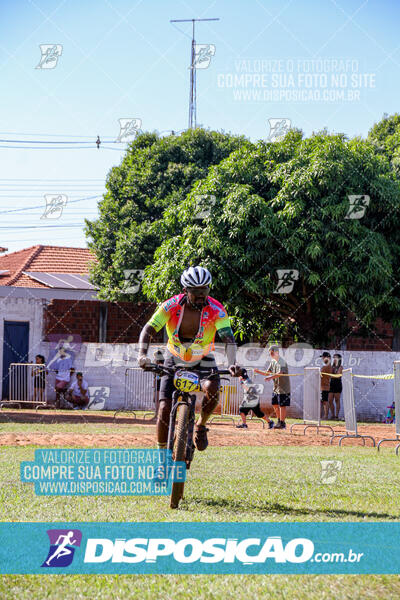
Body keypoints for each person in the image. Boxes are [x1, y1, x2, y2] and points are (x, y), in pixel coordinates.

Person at [138, 266, 242, 452]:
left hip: (203, 357)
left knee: (212, 388)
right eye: (196, 292)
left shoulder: (217, 310)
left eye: (205, 290)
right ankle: (161, 454)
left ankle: (201, 426)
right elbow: (148, 330)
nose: (201, 295)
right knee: (163, 408)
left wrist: (233, 362)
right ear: (185, 290)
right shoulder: (170, 306)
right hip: (174, 357)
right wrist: (142, 355)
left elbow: (228, 338)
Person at [264, 345, 291, 429]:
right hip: (276, 388)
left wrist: (270, 377)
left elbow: (280, 373)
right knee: (275, 404)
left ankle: (282, 424)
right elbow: (267, 372)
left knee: (282, 405)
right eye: (270, 353)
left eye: (272, 352)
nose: (271, 354)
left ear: (276, 352)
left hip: (283, 388)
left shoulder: (282, 361)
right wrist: (259, 372)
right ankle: (279, 421)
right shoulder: (273, 361)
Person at [329, 353, 343, 419]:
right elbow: (329, 374)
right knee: (330, 400)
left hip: (337, 384)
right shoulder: (332, 366)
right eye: (334, 358)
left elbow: (337, 376)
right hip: (331, 384)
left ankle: (336, 415)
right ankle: (332, 415)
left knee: (337, 400)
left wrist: (330, 375)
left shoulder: (340, 367)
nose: (334, 359)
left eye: (336, 358)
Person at [320, 351, 332, 419]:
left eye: (323, 357)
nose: (322, 359)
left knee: (325, 401)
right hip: (324, 386)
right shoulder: (327, 366)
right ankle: (325, 415)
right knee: (324, 401)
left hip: (325, 386)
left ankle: (326, 415)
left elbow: (320, 374)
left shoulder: (326, 366)